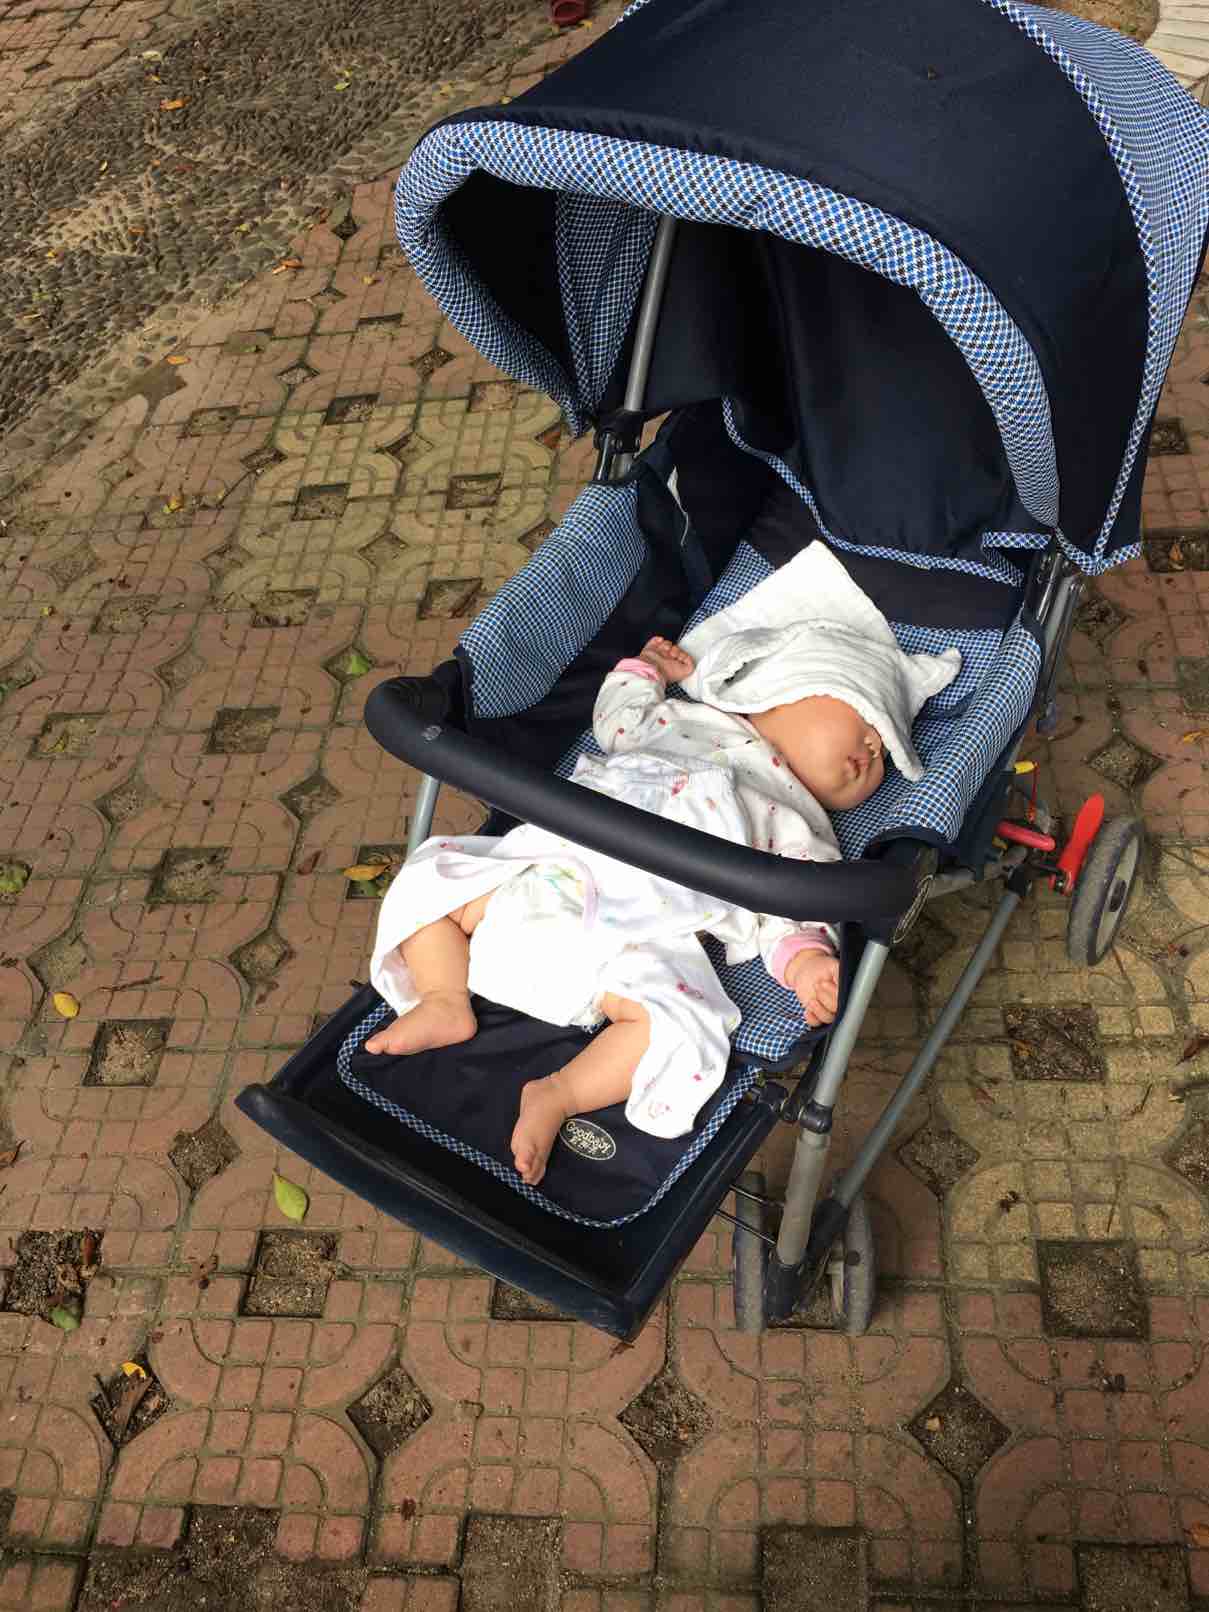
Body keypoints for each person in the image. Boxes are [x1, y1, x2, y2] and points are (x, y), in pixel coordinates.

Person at [362, 633, 888, 1187]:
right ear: (779, 692)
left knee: (681, 1021)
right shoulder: (684, 722)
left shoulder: (799, 820)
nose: (873, 749)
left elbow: (793, 898)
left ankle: (559, 1093)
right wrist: (647, 669)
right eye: (866, 723)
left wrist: (805, 962)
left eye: (880, 751)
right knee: (433, 877)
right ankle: (443, 999)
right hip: (549, 874)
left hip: (640, 940)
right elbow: (616, 720)